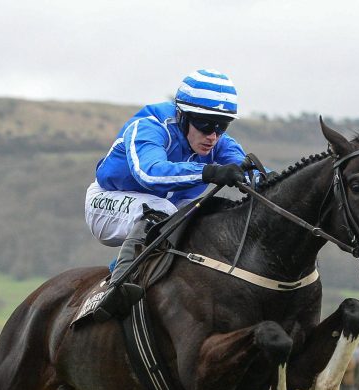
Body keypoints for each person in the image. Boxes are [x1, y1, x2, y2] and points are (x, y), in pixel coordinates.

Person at [87, 69, 253, 321]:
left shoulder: (218, 141)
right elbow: (150, 174)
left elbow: (248, 170)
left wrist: (268, 181)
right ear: (182, 115)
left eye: (222, 125)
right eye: (205, 123)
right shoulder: (149, 127)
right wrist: (209, 171)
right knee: (161, 210)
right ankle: (117, 286)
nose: (213, 135)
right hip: (108, 201)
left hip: (164, 206)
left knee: (211, 212)